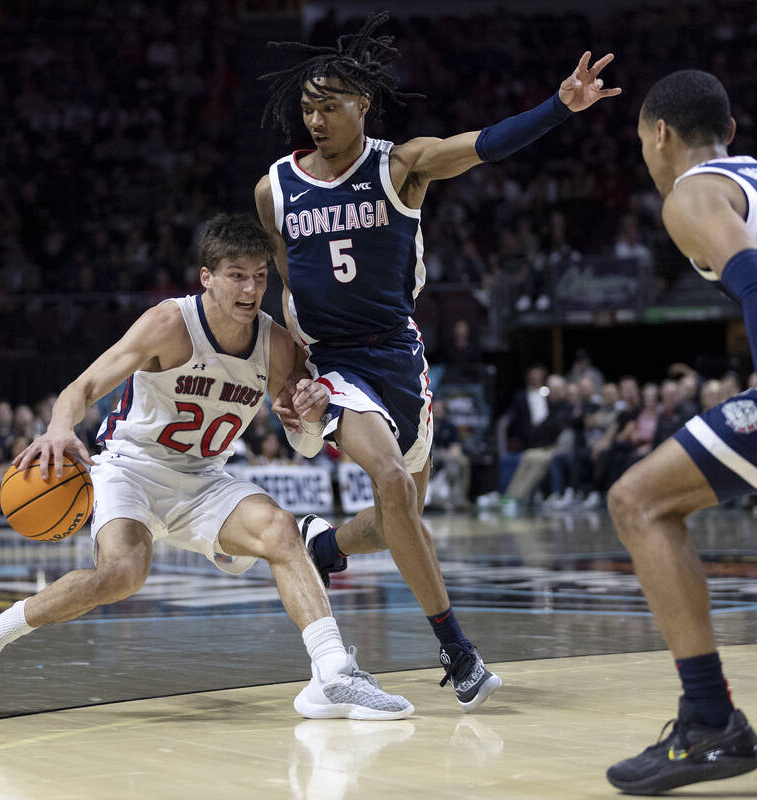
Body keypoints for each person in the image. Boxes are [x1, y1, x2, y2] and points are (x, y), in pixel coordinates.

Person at [254, 11, 619, 710]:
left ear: (363, 104)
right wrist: (291, 367)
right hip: (334, 368)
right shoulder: (274, 188)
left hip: (398, 356)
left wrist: (559, 106)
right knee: (390, 477)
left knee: (402, 515)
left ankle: (322, 549)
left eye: (329, 106)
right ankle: (457, 651)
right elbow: (285, 278)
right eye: (307, 107)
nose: (316, 119)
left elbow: (480, 145)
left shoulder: (401, 165)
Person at [0, 214, 412, 721]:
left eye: (261, 275)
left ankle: (331, 675)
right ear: (207, 277)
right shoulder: (169, 324)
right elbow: (82, 387)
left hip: (204, 480)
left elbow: (305, 446)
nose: (251, 287)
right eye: (237, 274)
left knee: (281, 531)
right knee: (122, 575)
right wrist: (60, 428)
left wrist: (304, 417)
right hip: (131, 469)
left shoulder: (277, 345)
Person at [604, 69, 757, 794]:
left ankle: (711, 721)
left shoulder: (693, 193)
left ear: (659, 135)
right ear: (729, 131)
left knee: (640, 501)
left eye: (640, 140)